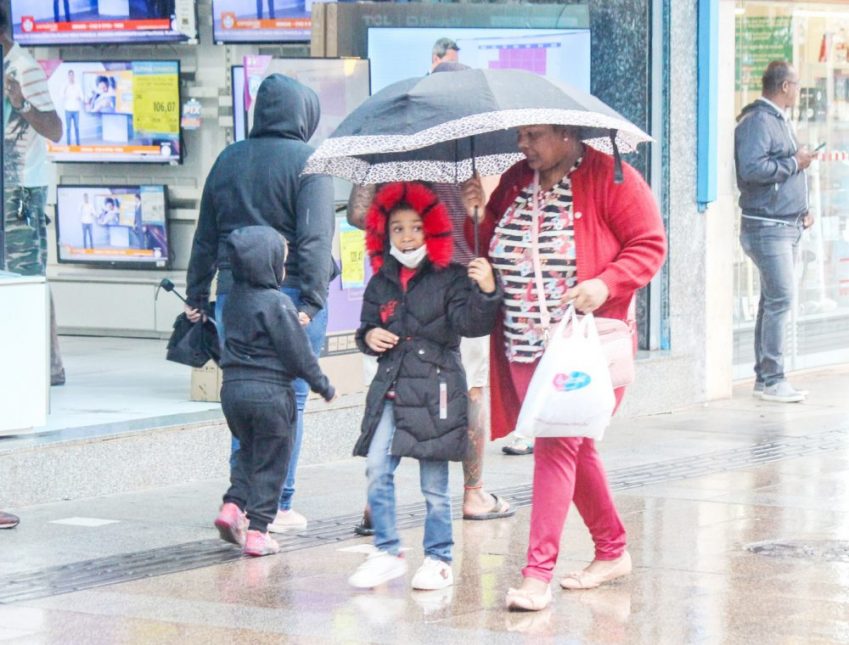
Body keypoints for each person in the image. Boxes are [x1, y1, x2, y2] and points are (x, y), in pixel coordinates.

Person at [460, 124, 666, 611]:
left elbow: (649, 244)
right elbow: (489, 250)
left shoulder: (611, 176)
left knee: (555, 447)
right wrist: (477, 217)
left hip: (582, 348)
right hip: (522, 344)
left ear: (568, 133)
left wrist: (606, 284)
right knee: (574, 447)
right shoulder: (516, 179)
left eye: (533, 135)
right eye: (520, 135)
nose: (522, 145)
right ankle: (612, 550)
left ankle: (536, 576)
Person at [346, 62, 515, 537]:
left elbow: (359, 214)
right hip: (456, 287)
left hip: (397, 291)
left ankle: (375, 501)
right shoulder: (476, 150)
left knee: (388, 388)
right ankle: (474, 493)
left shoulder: (394, 141)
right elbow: (494, 228)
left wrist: (377, 166)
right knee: (468, 391)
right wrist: (477, 207)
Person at [185, 74, 337, 533]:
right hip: (289, 293)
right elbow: (315, 239)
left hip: (232, 297)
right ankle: (276, 504)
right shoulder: (310, 162)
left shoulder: (228, 158)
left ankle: (241, 500)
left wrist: (197, 294)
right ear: (304, 114)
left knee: (245, 389)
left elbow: (205, 234)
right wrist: (313, 299)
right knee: (288, 401)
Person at [347, 182, 502, 590]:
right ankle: (387, 550)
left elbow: (472, 324)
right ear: (385, 233)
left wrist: (487, 289)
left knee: (434, 485)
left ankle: (439, 557)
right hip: (391, 388)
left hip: (436, 389)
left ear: (430, 229)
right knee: (377, 467)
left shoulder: (450, 277)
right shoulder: (381, 281)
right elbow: (366, 327)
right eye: (397, 229)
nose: (407, 237)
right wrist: (369, 337)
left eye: (416, 227)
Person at [213, 226, 335, 557]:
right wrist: (322, 385)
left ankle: (233, 506)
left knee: (248, 453)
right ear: (267, 265)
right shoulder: (278, 303)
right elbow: (298, 354)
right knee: (273, 463)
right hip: (271, 395)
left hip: (233, 392)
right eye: (281, 262)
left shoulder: (233, 302)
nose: (282, 269)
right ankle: (258, 532)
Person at [735, 60, 813, 403]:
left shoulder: (777, 120)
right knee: (781, 299)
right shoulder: (758, 121)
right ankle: (773, 379)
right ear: (784, 86)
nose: (798, 91)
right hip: (767, 226)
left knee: (773, 300)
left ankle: (765, 378)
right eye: (796, 85)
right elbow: (752, 169)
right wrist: (795, 162)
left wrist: (802, 208)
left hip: (784, 224)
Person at [2, 5, 66, 387]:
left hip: (23, 191)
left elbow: (55, 129)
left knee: (27, 276)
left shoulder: (24, 68)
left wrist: (21, 105)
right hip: (4, 187)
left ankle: (47, 365)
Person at [62, 69, 83, 146]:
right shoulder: (65, 85)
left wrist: (79, 97)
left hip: (76, 110)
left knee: (76, 128)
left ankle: (78, 144)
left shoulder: (78, 85)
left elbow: (82, 96)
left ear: (74, 76)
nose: (71, 77)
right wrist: (65, 94)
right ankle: (68, 144)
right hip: (68, 110)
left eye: (72, 75)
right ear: (68, 76)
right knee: (68, 128)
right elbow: (61, 95)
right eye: (70, 75)